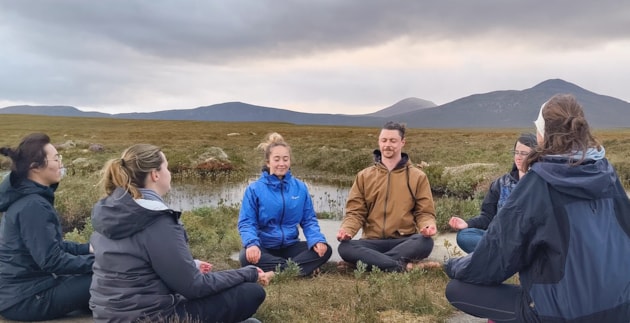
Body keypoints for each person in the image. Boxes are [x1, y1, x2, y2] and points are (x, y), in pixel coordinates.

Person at [445, 94, 630, 322]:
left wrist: (453, 265)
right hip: (621, 307)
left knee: (456, 289)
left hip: (560, 314)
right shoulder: (608, 175)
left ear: (544, 134)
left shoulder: (539, 183)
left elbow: (494, 260)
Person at [89, 144, 272, 323]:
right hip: (150, 317)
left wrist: (190, 265)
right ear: (155, 174)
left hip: (108, 315)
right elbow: (194, 287)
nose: (169, 173)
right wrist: (249, 273)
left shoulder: (113, 211)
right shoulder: (156, 220)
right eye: (167, 168)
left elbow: (134, 264)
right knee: (250, 292)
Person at [0, 133, 94, 321]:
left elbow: (51, 245)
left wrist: (87, 249)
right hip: (25, 299)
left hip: (24, 291)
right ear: (35, 167)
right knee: (107, 277)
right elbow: (52, 260)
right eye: (56, 158)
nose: (60, 163)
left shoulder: (30, 199)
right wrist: (102, 264)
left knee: (94, 277)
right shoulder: (33, 205)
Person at [336, 121, 438, 272]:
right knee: (345, 248)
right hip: (371, 241)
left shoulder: (418, 176)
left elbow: (424, 212)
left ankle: (368, 263)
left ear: (402, 142)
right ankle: (405, 266)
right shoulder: (364, 176)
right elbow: (355, 212)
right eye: (384, 140)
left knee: (425, 242)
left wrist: (427, 226)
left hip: (404, 241)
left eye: (393, 140)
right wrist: (347, 230)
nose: (387, 145)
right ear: (379, 141)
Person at [238, 132, 332, 276]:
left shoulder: (300, 188)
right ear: (268, 162)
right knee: (246, 257)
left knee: (325, 250)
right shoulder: (254, 189)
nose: (281, 164)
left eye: (285, 159)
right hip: (264, 247)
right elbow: (246, 223)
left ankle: (274, 273)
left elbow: (308, 220)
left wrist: (317, 240)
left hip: (291, 246)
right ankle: (301, 269)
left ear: (290, 161)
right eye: (276, 159)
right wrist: (251, 244)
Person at [448, 133, 537, 253]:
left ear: (535, 155)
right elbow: (487, 217)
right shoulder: (500, 183)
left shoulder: (540, 184)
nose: (519, 157)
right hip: (499, 238)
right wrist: (467, 224)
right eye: (516, 152)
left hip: (527, 241)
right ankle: (504, 255)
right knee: (465, 236)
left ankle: (499, 257)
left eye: (524, 153)